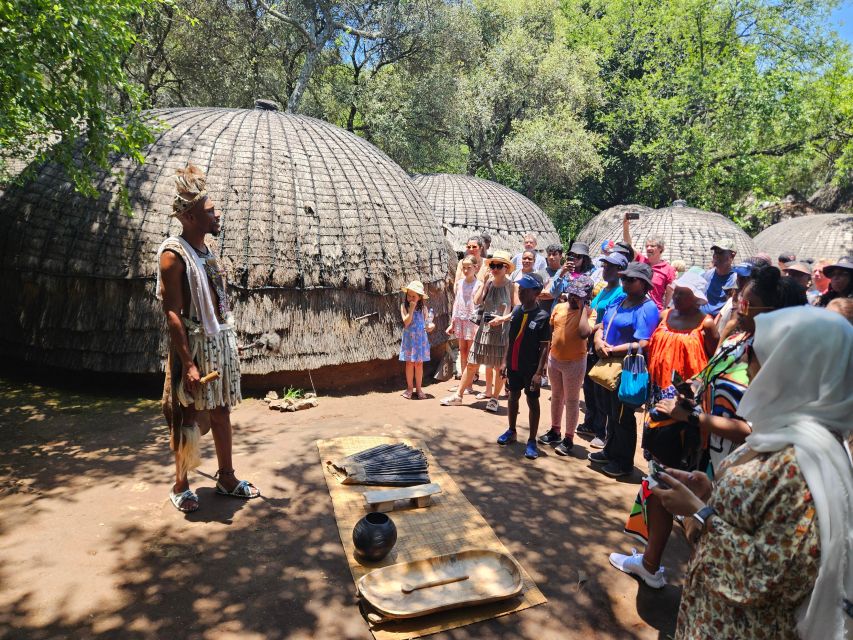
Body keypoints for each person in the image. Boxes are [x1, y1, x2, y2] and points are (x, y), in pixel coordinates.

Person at [650, 307, 852, 640]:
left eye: (758, 359)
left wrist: (699, 514)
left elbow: (773, 576)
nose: (750, 368)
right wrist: (708, 493)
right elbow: (756, 519)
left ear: (794, 370)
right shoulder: (782, 436)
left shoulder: (802, 464)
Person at [157, 164, 260, 513]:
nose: (217, 215)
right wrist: (187, 362)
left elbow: (216, 300)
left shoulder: (206, 251)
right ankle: (181, 485)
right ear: (189, 216)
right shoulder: (173, 256)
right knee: (186, 415)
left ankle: (227, 478)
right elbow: (172, 312)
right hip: (194, 346)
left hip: (216, 341)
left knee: (221, 411)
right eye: (210, 211)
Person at [609, 271, 717, 588]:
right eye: (676, 290)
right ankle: (650, 558)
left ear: (698, 298)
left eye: (683, 293)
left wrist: (688, 402)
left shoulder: (706, 324)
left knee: (667, 483)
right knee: (655, 477)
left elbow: (710, 368)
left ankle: (652, 564)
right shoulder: (667, 315)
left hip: (685, 417)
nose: (676, 296)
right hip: (657, 408)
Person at [589, 262, 661, 477]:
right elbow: (602, 324)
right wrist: (598, 340)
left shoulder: (647, 308)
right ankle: (610, 451)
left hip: (626, 368)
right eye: (624, 278)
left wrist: (612, 350)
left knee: (622, 415)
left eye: (631, 279)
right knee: (610, 411)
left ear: (644, 284)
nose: (625, 282)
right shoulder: (620, 299)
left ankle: (623, 462)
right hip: (607, 362)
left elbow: (644, 342)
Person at [441, 250, 517, 412]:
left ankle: (494, 399)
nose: (495, 268)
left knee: (498, 367)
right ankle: (458, 395)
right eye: (493, 265)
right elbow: (476, 301)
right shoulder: (489, 283)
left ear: (506, 268)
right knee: (472, 362)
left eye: (499, 266)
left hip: (502, 331)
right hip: (484, 329)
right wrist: (484, 283)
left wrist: (502, 319)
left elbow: (517, 310)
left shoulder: (512, 286)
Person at [496, 273, 552, 459]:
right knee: (513, 396)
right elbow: (510, 340)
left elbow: (545, 347)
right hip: (514, 364)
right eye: (520, 289)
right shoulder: (517, 311)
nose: (520, 292)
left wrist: (539, 373)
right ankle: (511, 431)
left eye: (525, 290)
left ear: (536, 292)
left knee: (532, 401)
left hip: (531, 367)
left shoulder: (543, 316)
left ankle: (532, 440)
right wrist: (504, 361)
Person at [538, 275, 594, 455]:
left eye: (578, 296)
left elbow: (584, 333)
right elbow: (552, 331)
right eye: (571, 294)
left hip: (575, 363)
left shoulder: (590, 313)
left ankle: (569, 438)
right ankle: (555, 430)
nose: (572, 298)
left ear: (586, 297)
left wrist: (582, 309)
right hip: (555, 360)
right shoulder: (559, 307)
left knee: (571, 400)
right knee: (556, 396)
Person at [577, 252, 628, 448]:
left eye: (610, 267)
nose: (605, 270)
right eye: (605, 266)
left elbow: (608, 321)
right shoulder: (605, 290)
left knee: (601, 389)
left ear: (620, 271)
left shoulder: (621, 293)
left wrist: (593, 330)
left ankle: (601, 430)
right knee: (589, 386)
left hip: (606, 345)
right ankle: (590, 423)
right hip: (592, 343)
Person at [622, 214, 677, 310]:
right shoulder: (641, 261)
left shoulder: (668, 269)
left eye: (652, 246)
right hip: (635, 307)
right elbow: (629, 245)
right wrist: (625, 225)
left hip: (654, 310)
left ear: (661, 249)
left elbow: (670, 294)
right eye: (647, 246)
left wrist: (665, 313)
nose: (648, 248)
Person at [447, 256, 483, 395]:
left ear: (476, 268)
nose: (466, 270)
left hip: (472, 321)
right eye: (464, 267)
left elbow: (479, 305)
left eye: (469, 267)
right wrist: (452, 322)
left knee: (470, 353)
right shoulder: (459, 283)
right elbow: (456, 303)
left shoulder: (479, 284)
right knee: (462, 351)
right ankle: (463, 382)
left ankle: (469, 385)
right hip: (460, 320)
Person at [400, 280, 433, 399]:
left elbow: (427, 324)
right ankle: (409, 388)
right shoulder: (404, 306)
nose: (410, 298)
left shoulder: (424, 309)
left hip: (420, 340)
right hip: (409, 339)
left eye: (414, 296)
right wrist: (411, 309)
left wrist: (430, 326)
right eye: (409, 295)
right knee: (409, 363)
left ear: (419, 297)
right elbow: (406, 322)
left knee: (419, 364)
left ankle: (419, 389)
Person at [700, 239, 737, 316]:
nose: (716, 255)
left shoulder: (736, 280)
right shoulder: (707, 275)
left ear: (732, 255)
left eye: (720, 252)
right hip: (700, 320)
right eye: (715, 252)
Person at [537, 243, 564, 313]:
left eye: (554, 254)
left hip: (559, 313)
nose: (551, 257)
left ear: (560, 256)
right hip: (542, 311)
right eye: (549, 254)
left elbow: (565, 295)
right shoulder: (540, 273)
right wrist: (556, 294)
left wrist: (545, 292)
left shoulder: (565, 273)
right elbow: (536, 293)